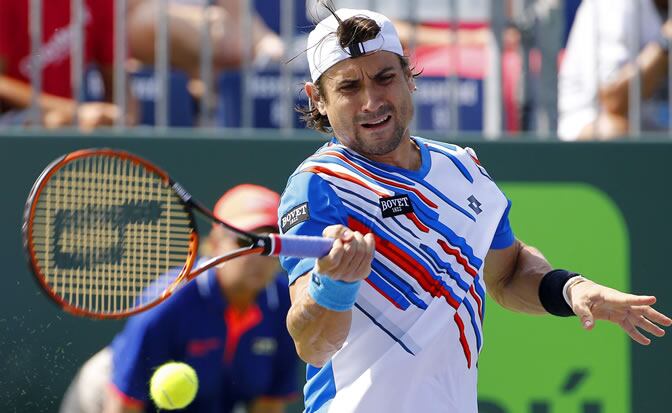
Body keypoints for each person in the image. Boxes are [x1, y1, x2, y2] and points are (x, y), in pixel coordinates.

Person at [278, 7, 672, 413]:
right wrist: (335, 284)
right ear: (318, 100)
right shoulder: (318, 185)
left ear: (409, 75)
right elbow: (312, 344)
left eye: (384, 78)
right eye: (348, 87)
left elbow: (508, 271)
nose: (372, 101)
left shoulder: (463, 168)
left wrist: (570, 289)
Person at [60, 184, 299, 413]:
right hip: (109, 398)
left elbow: (268, 404)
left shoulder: (284, 307)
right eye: (246, 242)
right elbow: (125, 403)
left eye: (270, 245)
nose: (259, 256)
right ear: (216, 244)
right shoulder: (168, 304)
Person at [0, 0, 137, 130]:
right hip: (13, 120)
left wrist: (121, 121)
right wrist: (71, 111)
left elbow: (121, 86)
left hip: (74, 119)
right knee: (53, 120)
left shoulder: (104, 3)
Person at [558, 0, 672, 140]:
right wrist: (666, 43)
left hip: (654, 125)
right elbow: (613, 100)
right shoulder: (615, 4)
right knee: (614, 130)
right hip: (589, 122)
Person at [127, 0, 286, 79]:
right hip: (146, 72)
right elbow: (136, 26)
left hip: (215, 80)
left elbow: (254, 32)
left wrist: (272, 48)